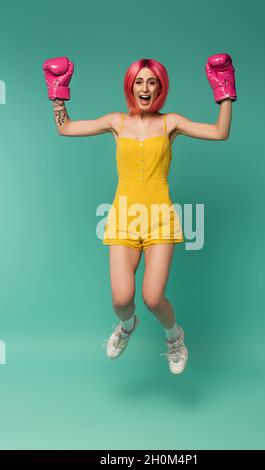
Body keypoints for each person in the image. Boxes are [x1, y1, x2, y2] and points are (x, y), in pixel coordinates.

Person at [42, 55, 236, 375]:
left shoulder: (170, 122)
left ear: (160, 87)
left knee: (153, 297)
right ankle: (127, 326)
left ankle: (175, 338)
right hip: (123, 217)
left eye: (152, 82)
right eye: (139, 81)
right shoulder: (116, 122)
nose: (145, 88)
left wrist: (224, 90)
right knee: (121, 300)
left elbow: (220, 133)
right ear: (131, 86)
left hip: (160, 218)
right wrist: (57, 92)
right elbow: (66, 129)